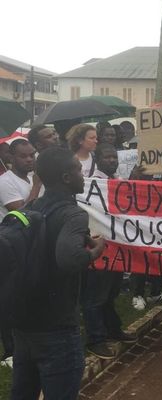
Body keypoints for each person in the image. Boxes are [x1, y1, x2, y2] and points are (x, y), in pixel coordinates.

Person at [10, 146, 106, 400]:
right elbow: (69, 258)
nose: (82, 174)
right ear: (66, 178)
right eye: (77, 169)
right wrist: (96, 250)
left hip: (24, 324)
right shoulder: (73, 214)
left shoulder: (32, 207)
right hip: (57, 329)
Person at [81, 144, 137, 359]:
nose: (112, 160)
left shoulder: (117, 180)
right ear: (98, 158)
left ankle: (112, 330)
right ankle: (96, 339)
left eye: (114, 156)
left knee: (111, 293)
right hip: (98, 246)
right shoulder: (92, 182)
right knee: (95, 297)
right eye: (107, 156)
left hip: (117, 246)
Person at [0, 139, 42, 219]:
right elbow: (21, 214)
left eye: (32, 155)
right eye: (23, 156)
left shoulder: (32, 178)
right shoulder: (4, 182)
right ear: (11, 158)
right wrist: (36, 186)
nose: (29, 159)